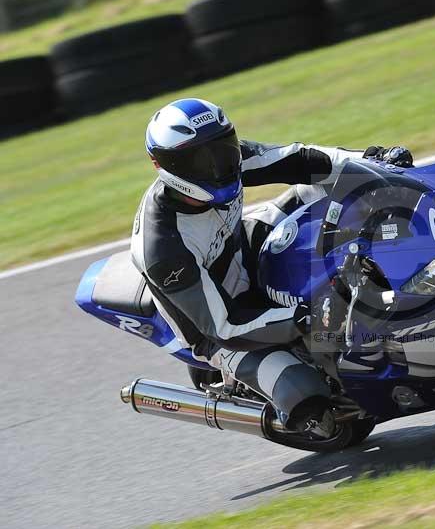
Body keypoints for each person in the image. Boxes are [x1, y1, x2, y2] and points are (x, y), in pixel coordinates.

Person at [130, 98, 413, 438]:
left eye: (222, 148)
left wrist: (372, 161)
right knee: (308, 402)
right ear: (164, 165)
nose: (217, 166)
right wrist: (306, 317)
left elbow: (303, 160)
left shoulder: (231, 161)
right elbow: (225, 326)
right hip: (221, 325)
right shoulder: (164, 246)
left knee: (329, 190)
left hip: (246, 249)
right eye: (199, 159)